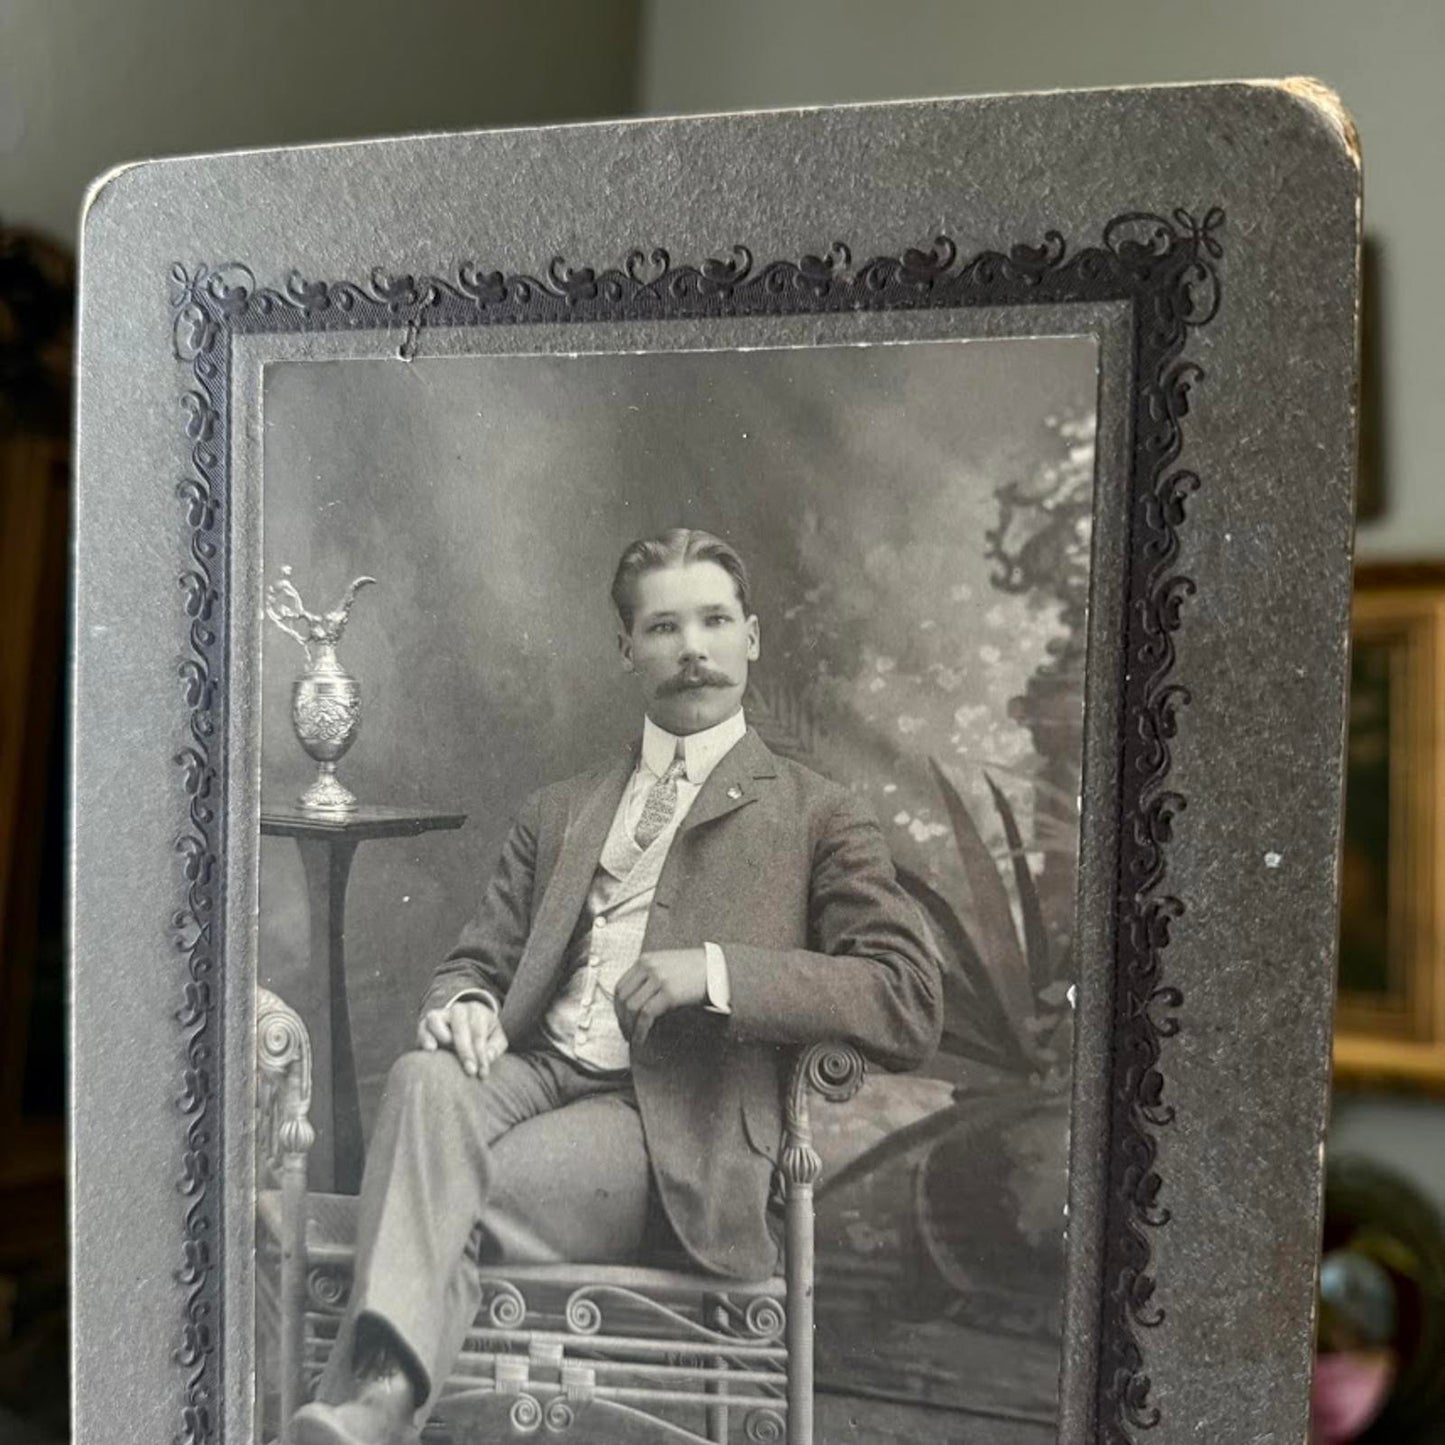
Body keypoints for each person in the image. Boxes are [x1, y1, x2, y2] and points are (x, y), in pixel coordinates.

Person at [291, 527, 943, 1445]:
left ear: (752, 636)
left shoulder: (816, 812)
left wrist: (714, 971)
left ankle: (374, 1402)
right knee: (421, 1078)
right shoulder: (562, 808)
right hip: (534, 1066)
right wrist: (466, 1005)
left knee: (442, 1190)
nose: (694, 647)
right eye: (665, 626)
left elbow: (906, 995)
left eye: (716, 620)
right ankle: (378, 1408)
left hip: (666, 1124)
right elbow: (472, 962)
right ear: (626, 649)